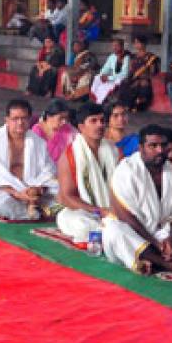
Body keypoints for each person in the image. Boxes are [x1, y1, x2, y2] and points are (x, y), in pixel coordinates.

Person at [103, 125, 172, 274]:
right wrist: (156, 244)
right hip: (135, 233)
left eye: (163, 145)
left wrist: (170, 241)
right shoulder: (126, 170)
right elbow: (126, 217)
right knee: (115, 232)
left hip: (163, 234)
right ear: (141, 147)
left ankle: (152, 259)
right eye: (153, 145)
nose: (160, 150)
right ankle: (170, 265)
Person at [0, 99, 58, 220]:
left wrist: (38, 189)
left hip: (33, 192)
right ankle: (34, 213)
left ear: (30, 119)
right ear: (7, 120)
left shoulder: (38, 143)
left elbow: (49, 171)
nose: (20, 123)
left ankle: (33, 210)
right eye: (15, 119)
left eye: (24, 118)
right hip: (7, 193)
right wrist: (16, 193)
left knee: (63, 199)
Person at [56, 103, 119, 245]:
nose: (100, 125)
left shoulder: (113, 151)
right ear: (81, 127)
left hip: (112, 210)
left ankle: (110, 232)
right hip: (83, 211)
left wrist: (113, 210)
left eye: (102, 121)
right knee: (81, 225)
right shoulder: (70, 155)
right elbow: (66, 197)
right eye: (93, 121)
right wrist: (98, 211)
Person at [120, 36, 160, 112]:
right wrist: (129, 78)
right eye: (135, 43)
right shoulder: (134, 56)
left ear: (144, 44)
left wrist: (144, 77)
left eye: (138, 43)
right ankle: (126, 105)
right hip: (135, 78)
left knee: (141, 84)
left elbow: (153, 72)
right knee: (124, 83)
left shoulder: (151, 57)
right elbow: (131, 71)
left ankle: (138, 105)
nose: (136, 45)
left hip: (146, 79)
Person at [30, 99, 76, 165]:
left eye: (66, 118)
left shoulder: (68, 129)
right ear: (49, 116)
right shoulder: (37, 130)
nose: (64, 122)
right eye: (61, 118)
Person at [90, 38, 130, 104]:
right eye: (113, 46)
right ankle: (95, 99)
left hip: (120, 79)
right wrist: (102, 75)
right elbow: (105, 68)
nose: (114, 48)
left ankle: (102, 101)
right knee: (97, 77)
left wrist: (109, 77)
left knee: (117, 82)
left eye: (116, 46)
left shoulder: (126, 57)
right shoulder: (112, 56)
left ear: (122, 46)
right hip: (111, 77)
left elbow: (124, 74)